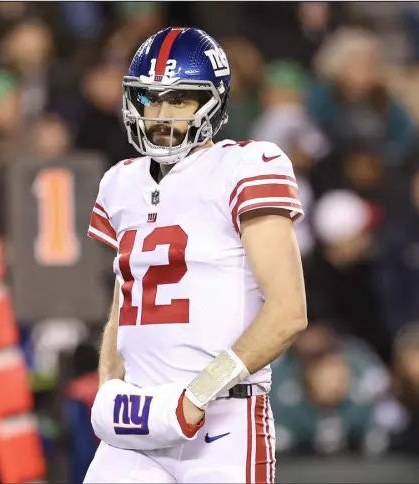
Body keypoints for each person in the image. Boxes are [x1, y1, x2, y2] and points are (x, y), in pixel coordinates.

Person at [84, 27, 308, 483]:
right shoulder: (120, 182)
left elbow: (288, 312)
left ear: (213, 104)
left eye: (180, 100)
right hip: (140, 422)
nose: (161, 114)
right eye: (150, 99)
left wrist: (196, 395)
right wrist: (111, 387)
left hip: (223, 421)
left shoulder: (245, 166)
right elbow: (124, 306)